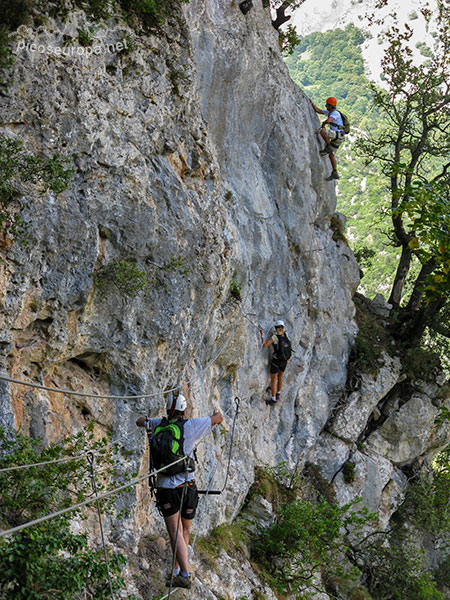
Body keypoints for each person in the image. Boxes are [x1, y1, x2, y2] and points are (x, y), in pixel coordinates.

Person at [136, 393, 223, 590]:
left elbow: (139, 421)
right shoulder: (191, 426)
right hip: (188, 485)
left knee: (174, 531)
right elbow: (218, 418)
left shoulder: (158, 424)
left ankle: (181, 572)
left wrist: (150, 422)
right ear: (184, 411)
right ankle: (181, 572)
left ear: (168, 410)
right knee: (184, 530)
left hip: (166, 488)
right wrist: (214, 416)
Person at [310, 96, 345, 181]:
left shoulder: (335, 113)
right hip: (339, 137)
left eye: (327, 105)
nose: (326, 106)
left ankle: (328, 146)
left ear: (330, 106)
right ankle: (334, 171)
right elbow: (319, 111)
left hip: (337, 135)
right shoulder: (330, 112)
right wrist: (312, 104)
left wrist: (323, 124)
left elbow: (329, 120)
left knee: (323, 131)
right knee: (331, 154)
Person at [260, 319, 291, 405]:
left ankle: (273, 399)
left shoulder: (275, 337)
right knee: (280, 376)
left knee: (274, 379)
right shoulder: (286, 335)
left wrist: (262, 335)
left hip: (276, 361)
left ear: (276, 327)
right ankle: (278, 393)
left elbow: (265, 345)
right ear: (283, 327)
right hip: (284, 361)